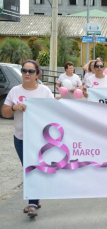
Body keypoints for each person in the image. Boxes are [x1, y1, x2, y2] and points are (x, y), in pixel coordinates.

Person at [1, 60, 54, 218]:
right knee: (27, 167)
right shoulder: (15, 91)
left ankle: (32, 203)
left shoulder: (44, 91)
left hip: (39, 139)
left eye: (31, 71)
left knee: (33, 168)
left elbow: (54, 111)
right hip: (20, 137)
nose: (27, 74)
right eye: (24, 70)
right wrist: (13, 107)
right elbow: (5, 113)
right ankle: (35, 200)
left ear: (37, 74)